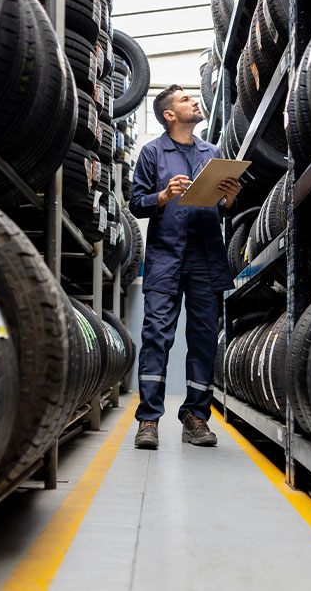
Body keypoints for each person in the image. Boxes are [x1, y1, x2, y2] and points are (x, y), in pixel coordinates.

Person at [129, 84, 241, 449]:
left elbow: (224, 209)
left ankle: (195, 416)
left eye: (193, 98)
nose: (194, 101)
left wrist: (228, 200)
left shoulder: (213, 152)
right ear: (169, 115)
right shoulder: (152, 152)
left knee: (204, 339)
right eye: (185, 100)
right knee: (157, 337)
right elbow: (136, 203)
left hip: (205, 258)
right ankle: (148, 420)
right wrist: (162, 196)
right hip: (165, 257)